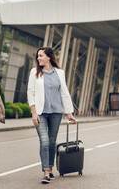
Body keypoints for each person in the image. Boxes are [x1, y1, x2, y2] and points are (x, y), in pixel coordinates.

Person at [27, 47, 76, 184]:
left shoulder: (59, 73)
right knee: (44, 140)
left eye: (41, 56)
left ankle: (50, 167)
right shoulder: (34, 72)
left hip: (55, 112)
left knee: (52, 141)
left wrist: (69, 113)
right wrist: (33, 112)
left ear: (49, 57)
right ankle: (46, 172)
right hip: (40, 113)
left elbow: (64, 93)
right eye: (37, 56)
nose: (38, 58)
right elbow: (30, 92)